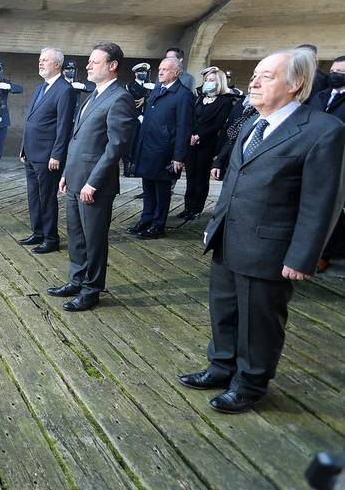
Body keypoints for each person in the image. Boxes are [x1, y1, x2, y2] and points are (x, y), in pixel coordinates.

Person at [179, 48, 345, 414]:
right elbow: (235, 182)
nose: (253, 81)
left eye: (266, 76)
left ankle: (250, 384)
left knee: (259, 323)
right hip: (228, 239)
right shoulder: (255, 122)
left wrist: (304, 255)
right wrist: (214, 225)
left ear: (296, 84)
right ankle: (221, 367)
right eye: (254, 73)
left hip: (270, 248)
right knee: (223, 310)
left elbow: (322, 201)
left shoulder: (322, 130)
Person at [47, 42, 138, 311]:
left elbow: (115, 146)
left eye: (94, 61)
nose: (88, 65)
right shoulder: (94, 94)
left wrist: (93, 182)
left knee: (94, 239)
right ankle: (77, 280)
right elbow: (79, 141)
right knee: (76, 236)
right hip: (75, 179)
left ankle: (91, 290)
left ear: (112, 66)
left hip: (94, 185)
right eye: (89, 61)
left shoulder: (120, 98)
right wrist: (66, 173)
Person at [128, 56, 194, 239]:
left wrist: (179, 157)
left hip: (165, 151)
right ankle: (146, 219)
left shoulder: (183, 95)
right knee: (148, 186)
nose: (161, 72)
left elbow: (184, 128)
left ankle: (158, 224)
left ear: (177, 73)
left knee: (162, 190)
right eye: (161, 69)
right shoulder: (157, 90)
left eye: (166, 69)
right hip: (148, 147)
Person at [19, 47, 77, 254]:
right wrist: (23, 148)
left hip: (48, 155)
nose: (41, 63)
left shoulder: (65, 90)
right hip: (32, 152)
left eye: (45, 60)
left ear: (57, 64)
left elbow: (64, 126)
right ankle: (38, 232)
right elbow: (31, 120)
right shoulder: (40, 88)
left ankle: (51, 238)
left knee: (47, 197)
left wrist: (57, 155)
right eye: (40, 60)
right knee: (34, 196)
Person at [304, 55, 345, 271]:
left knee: (332, 208)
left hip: (339, 161)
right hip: (313, 158)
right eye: (334, 70)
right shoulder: (320, 96)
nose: (336, 75)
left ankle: (324, 253)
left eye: (341, 72)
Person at [179, 66, 234, 221]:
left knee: (201, 177)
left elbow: (218, 123)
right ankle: (187, 207)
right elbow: (191, 119)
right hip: (191, 142)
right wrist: (190, 135)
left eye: (212, 80)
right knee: (190, 175)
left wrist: (199, 136)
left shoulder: (225, 101)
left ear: (219, 82)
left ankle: (196, 208)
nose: (208, 83)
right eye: (206, 80)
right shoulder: (199, 99)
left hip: (207, 143)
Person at [123, 62, 154, 176]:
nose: (143, 74)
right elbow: (128, 104)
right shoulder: (130, 86)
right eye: (141, 72)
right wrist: (138, 115)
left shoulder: (151, 86)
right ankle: (127, 167)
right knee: (130, 143)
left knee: (141, 144)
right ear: (136, 73)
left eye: (145, 72)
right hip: (133, 119)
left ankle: (136, 168)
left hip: (147, 119)